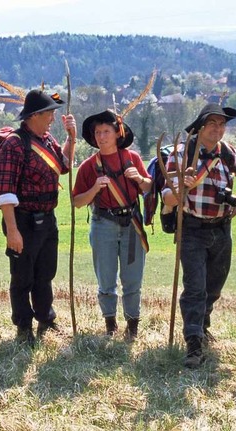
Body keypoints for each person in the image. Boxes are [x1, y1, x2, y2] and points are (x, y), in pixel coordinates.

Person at [162, 103, 236, 368]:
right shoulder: (181, 154)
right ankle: (193, 343)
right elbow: (167, 197)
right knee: (195, 289)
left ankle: (202, 325)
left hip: (222, 229)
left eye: (222, 124)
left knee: (213, 287)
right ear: (200, 127)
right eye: (212, 123)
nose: (218, 128)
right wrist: (183, 187)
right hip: (192, 230)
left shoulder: (227, 153)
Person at [0, 89, 76, 345]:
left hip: (47, 219)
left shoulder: (48, 140)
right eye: (49, 113)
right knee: (22, 277)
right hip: (23, 221)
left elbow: (63, 166)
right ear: (35, 116)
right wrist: (12, 230)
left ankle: (45, 318)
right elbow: (5, 191)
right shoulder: (14, 144)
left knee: (45, 274)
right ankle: (23, 326)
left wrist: (72, 139)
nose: (53, 118)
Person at [72, 110, 151, 340]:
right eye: (98, 132)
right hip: (103, 224)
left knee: (133, 280)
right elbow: (77, 202)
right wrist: (95, 188)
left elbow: (148, 188)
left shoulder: (132, 158)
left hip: (131, 226)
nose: (101, 136)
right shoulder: (89, 166)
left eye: (106, 131)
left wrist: (139, 178)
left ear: (117, 134)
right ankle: (110, 326)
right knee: (106, 280)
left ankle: (133, 327)